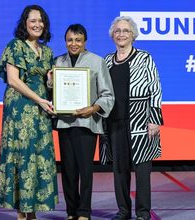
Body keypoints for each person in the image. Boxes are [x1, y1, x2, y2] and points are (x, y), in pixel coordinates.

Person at [0, 5, 58, 220]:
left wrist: (50, 82)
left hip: (41, 110)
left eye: (40, 20)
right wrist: (39, 99)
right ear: (25, 23)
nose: (37, 24)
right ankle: (22, 214)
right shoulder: (16, 46)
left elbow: (48, 85)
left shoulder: (48, 51)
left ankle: (32, 212)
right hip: (20, 109)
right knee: (22, 156)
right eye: (32, 20)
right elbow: (13, 80)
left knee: (37, 157)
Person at [100, 16, 164, 220]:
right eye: (117, 31)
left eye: (125, 31)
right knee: (119, 170)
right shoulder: (107, 60)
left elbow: (155, 88)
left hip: (140, 123)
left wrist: (154, 119)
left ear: (133, 35)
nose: (121, 34)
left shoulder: (144, 58)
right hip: (114, 122)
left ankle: (143, 213)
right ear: (112, 35)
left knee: (143, 171)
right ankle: (124, 211)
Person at [51, 24, 114, 220]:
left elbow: (108, 94)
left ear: (85, 41)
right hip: (64, 122)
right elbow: (50, 92)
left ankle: (84, 212)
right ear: (65, 41)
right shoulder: (58, 62)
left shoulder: (97, 61)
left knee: (85, 170)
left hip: (87, 123)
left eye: (78, 40)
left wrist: (93, 108)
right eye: (70, 40)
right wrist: (51, 81)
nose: (73, 44)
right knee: (68, 171)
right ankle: (71, 211)